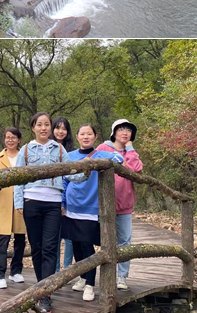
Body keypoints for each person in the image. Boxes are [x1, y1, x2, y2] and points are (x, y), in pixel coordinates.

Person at [14, 112, 83, 313]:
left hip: (53, 203)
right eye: (39, 125)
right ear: (33, 127)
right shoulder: (25, 150)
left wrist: (89, 171)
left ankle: (45, 294)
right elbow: (17, 178)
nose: (43, 128)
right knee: (36, 248)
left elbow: (72, 172)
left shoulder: (60, 149)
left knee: (50, 247)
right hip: (31, 201)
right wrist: (19, 202)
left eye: (46, 124)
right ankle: (40, 287)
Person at [62, 124, 125, 302]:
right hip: (71, 207)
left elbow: (118, 158)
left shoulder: (101, 154)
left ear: (95, 137)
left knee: (87, 246)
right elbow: (64, 180)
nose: (86, 137)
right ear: (77, 136)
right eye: (82, 134)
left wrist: (103, 160)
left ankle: (90, 284)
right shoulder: (70, 156)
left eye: (89, 134)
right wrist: (62, 202)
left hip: (90, 208)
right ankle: (82, 277)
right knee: (75, 244)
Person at [97, 119, 144, 291]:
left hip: (125, 204)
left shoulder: (130, 152)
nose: (125, 133)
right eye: (121, 129)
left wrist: (130, 149)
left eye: (128, 130)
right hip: (104, 204)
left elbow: (136, 169)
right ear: (114, 132)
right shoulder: (103, 148)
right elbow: (90, 161)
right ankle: (104, 275)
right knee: (105, 240)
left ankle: (122, 276)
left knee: (124, 241)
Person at [0, 127, 27, 289]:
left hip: (21, 201)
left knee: (20, 238)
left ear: (19, 140)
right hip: (4, 202)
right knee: (3, 239)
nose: (10, 140)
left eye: (13, 137)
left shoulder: (25, 156)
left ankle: (16, 271)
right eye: (7, 137)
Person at [50, 116, 74, 273]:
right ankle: (56, 271)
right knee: (54, 237)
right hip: (52, 197)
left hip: (71, 198)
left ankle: (67, 270)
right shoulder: (48, 149)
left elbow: (71, 178)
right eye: (57, 128)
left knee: (70, 237)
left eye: (64, 128)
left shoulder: (73, 151)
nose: (60, 131)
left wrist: (65, 201)